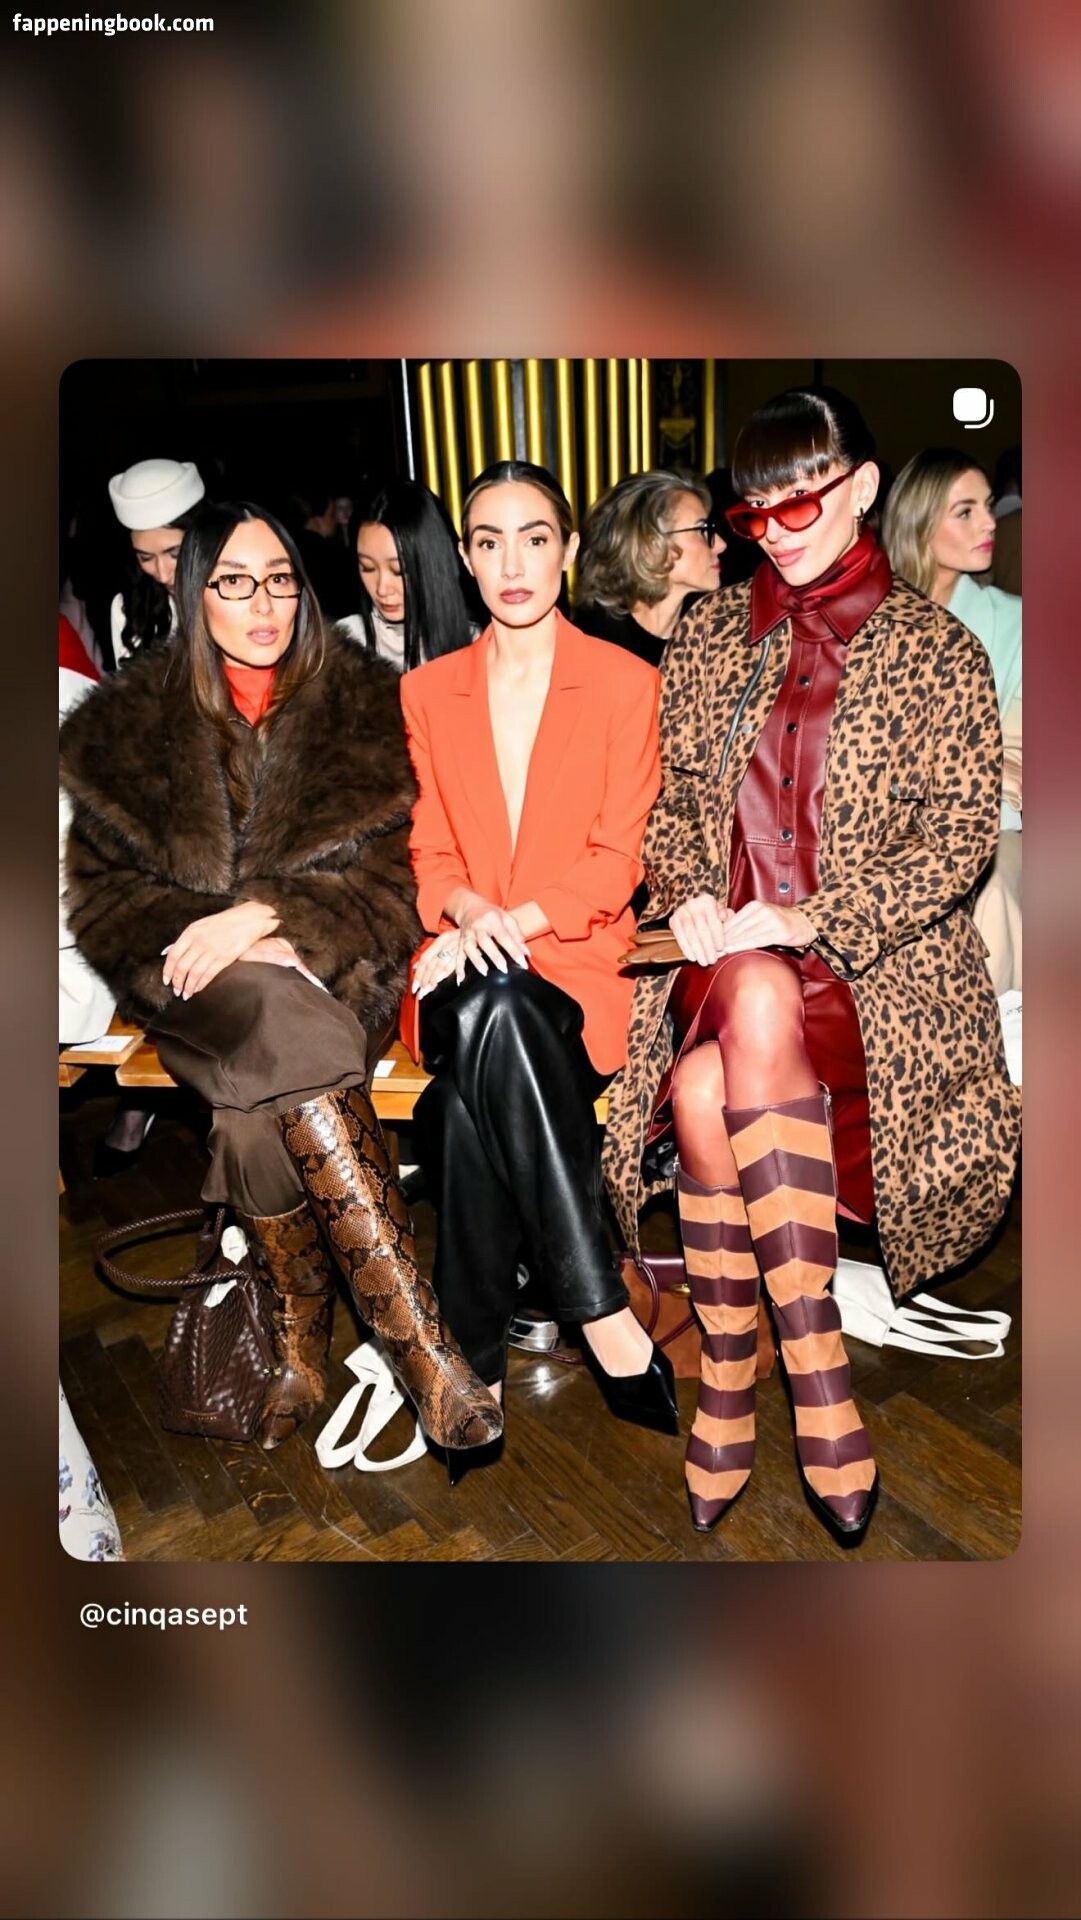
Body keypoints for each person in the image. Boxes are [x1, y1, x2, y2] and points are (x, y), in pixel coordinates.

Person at [603, 386, 1020, 1544]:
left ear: (864, 488)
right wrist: (691, 891)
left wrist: (813, 917)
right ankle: (813, 1370)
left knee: (704, 1090)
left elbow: (958, 839)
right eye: (755, 514)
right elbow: (674, 806)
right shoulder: (706, 634)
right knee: (746, 992)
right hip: (724, 965)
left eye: (803, 504)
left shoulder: (936, 649)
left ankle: (733, 1380)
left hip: (872, 977)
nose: (777, 533)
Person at [60, 502, 501, 1464]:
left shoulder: (364, 706)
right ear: (195, 592)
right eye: (235, 583)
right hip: (191, 984)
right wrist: (211, 937)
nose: (262, 605)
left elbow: (396, 878)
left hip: (339, 971)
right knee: (269, 1010)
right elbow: (102, 901)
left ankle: (303, 1341)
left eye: (279, 581)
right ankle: (422, 1350)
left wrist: (264, 917)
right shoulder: (125, 726)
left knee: (255, 1117)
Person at [399, 459, 674, 1476]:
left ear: (567, 550)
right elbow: (430, 853)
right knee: (488, 1002)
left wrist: (513, 919)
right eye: (488, 541)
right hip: (459, 960)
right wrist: (470, 912)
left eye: (534, 537)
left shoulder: (624, 682)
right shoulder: (428, 691)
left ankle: (467, 1361)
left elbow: (617, 858)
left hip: (575, 967)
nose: (512, 563)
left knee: (480, 1059)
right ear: (464, 560)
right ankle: (596, 1305)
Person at [882, 448, 1022, 993]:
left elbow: (1017, 762)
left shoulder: (1017, 624)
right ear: (919, 525)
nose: (990, 523)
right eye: (965, 511)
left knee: (990, 889)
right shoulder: (871, 623)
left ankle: (999, 1033)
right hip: (879, 821)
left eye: (988, 505)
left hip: (992, 822)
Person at [573, 469, 724, 668]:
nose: (721, 544)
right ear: (651, 546)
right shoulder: (591, 648)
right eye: (701, 530)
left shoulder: (714, 636)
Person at [338, 479, 477, 671]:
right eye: (368, 568)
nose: (382, 588)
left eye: (398, 571)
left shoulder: (480, 647)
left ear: (433, 566)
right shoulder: (346, 643)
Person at [108, 456, 207, 666]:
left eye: (175, 554)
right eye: (146, 557)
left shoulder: (239, 593)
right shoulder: (128, 610)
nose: (162, 574)